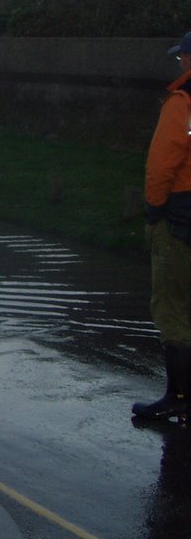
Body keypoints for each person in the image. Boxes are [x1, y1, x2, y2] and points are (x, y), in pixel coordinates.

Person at [134, 31, 191, 421]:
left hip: (182, 219)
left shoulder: (182, 103)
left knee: (173, 308)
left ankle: (179, 400)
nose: (180, 63)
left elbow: (162, 165)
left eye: (181, 57)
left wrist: (154, 211)